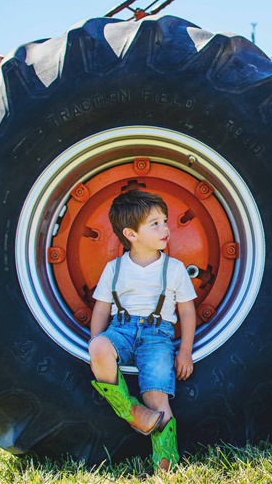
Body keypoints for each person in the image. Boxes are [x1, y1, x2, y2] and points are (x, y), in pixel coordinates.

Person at [88, 189, 197, 471]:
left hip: (157, 336)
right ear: (131, 234)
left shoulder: (174, 268)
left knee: (155, 395)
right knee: (99, 347)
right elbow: (101, 309)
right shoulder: (114, 268)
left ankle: (166, 464)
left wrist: (184, 350)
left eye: (165, 220)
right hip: (120, 330)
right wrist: (96, 344)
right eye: (155, 224)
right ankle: (131, 413)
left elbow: (186, 311)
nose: (166, 229)